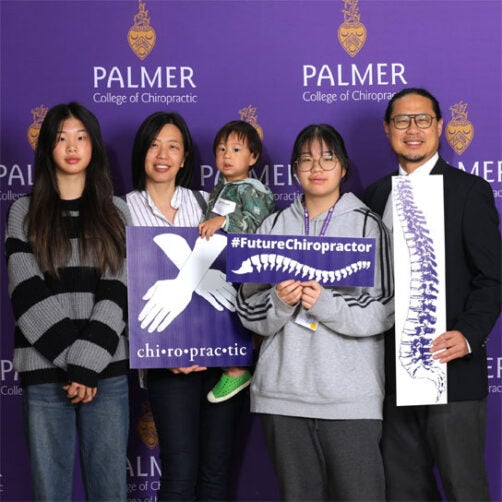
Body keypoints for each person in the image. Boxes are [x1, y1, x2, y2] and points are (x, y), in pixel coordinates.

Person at [236, 124, 395, 501]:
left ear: (343, 168)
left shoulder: (367, 225)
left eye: (328, 158)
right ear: (294, 170)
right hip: (282, 394)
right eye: (306, 159)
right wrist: (279, 302)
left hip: (350, 398)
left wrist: (324, 303)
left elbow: (383, 310)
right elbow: (246, 306)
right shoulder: (272, 226)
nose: (317, 167)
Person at [363, 87, 501, 501]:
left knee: (465, 488)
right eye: (402, 120)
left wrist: (468, 334)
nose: (413, 130)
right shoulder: (374, 196)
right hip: (389, 377)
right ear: (388, 129)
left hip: (451, 374)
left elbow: (493, 277)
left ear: (439, 126)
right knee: (404, 491)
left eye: (423, 119)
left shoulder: (467, 191)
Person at [5, 102, 130, 501]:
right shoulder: (24, 211)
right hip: (44, 372)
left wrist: (89, 367)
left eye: (81, 137)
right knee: (50, 493)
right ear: (47, 148)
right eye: (61, 138)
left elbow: (119, 290)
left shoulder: (117, 211)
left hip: (106, 374)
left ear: (94, 146)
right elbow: (26, 294)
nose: (72, 147)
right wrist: (77, 365)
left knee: (109, 490)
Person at [126, 111, 244, 501]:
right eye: (154, 144)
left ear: (186, 156)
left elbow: (235, 266)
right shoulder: (121, 209)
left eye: (173, 146)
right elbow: (120, 289)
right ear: (142, 151)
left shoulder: (206, 202)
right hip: (166, 363)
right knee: (179, 471)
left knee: (215, 474)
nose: (163, 154)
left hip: (220, 361)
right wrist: (163, 355)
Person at [198, 120, 275, 403]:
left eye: (235, 149)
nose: (227, 155)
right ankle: (229, 366)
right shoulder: (220, 187)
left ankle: (238, 369)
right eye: (221, 149)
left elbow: (258, 226)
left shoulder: (253, 189)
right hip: (219, 264)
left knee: (237, 316)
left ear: (253, 157)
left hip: (244, 268)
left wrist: (225, 221)